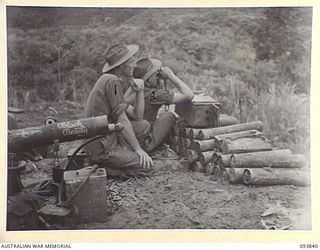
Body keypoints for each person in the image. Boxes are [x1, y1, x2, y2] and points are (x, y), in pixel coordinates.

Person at [84, 42, 153, 179]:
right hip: (102, 144)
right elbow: (122, 119)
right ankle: (107, 168)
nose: (134, 65)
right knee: (146, 168)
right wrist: (138, 149)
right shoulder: (112, 81)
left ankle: (122, 156)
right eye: (131, 61)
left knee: (143, 125)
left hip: (107, 135)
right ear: (122, 66)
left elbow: (137, 116)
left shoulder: (112, 81)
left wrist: (139, 92)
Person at [131, 58, 194, 152]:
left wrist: (158, 80)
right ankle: (150, 144)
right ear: (147, 81)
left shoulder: (136, 89)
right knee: (169, 116)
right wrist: (171, 76)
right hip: (144, 141)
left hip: (133, 136)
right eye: (155, 75)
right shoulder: (154, 95)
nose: (158, 76)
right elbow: (189, 95)